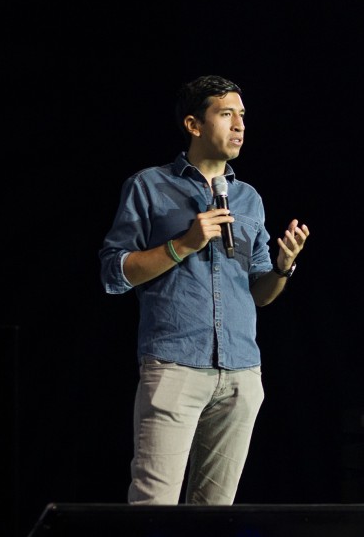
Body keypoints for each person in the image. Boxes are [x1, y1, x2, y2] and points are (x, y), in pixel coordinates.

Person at [99, 74, 310, 505]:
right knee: (153, 510)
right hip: (175, 364)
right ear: (194, 125)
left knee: (215, 519)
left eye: (243, 116)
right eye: (226, 114)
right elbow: (114, 273)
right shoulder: (149, 186)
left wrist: (284, 269)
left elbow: (259, 293)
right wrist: (184, 245)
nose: (239, 125)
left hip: (241, 374)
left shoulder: (248, 198)